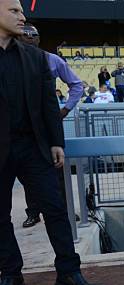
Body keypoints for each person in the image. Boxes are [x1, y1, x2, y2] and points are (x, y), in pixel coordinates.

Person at [0, 0, 100, 285]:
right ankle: (11, 274)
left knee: (55, 209)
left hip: (33, 146)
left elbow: (47, 103)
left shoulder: (36, 58)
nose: (23, 16)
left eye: (21, 10)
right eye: (14, 11)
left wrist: (57, 142)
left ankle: (69, 272)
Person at [18, 24, 84, 228]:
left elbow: (76, 85)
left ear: (39, 39)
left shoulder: (52, 60)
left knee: (57, 167)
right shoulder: (11, 61)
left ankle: (64, 210)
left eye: (34, 35)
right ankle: (33, 212)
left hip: (47, 124)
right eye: (25, 35)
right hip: (21, 125)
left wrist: (65, 109)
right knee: (26, 171)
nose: (29, 38)